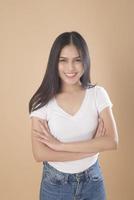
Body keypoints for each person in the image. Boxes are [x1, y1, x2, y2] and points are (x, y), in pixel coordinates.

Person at [29, 31, 119, 200]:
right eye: (63, 60)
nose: (70, 68)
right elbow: (40, 153)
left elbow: (112, 141)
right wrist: (91, 148)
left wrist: (59, 146)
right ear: (54, 63)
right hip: (55, 185)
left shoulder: (98, 94)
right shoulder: (41, 101)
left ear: (85, 61)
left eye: (77, 60)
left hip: (93, 181)